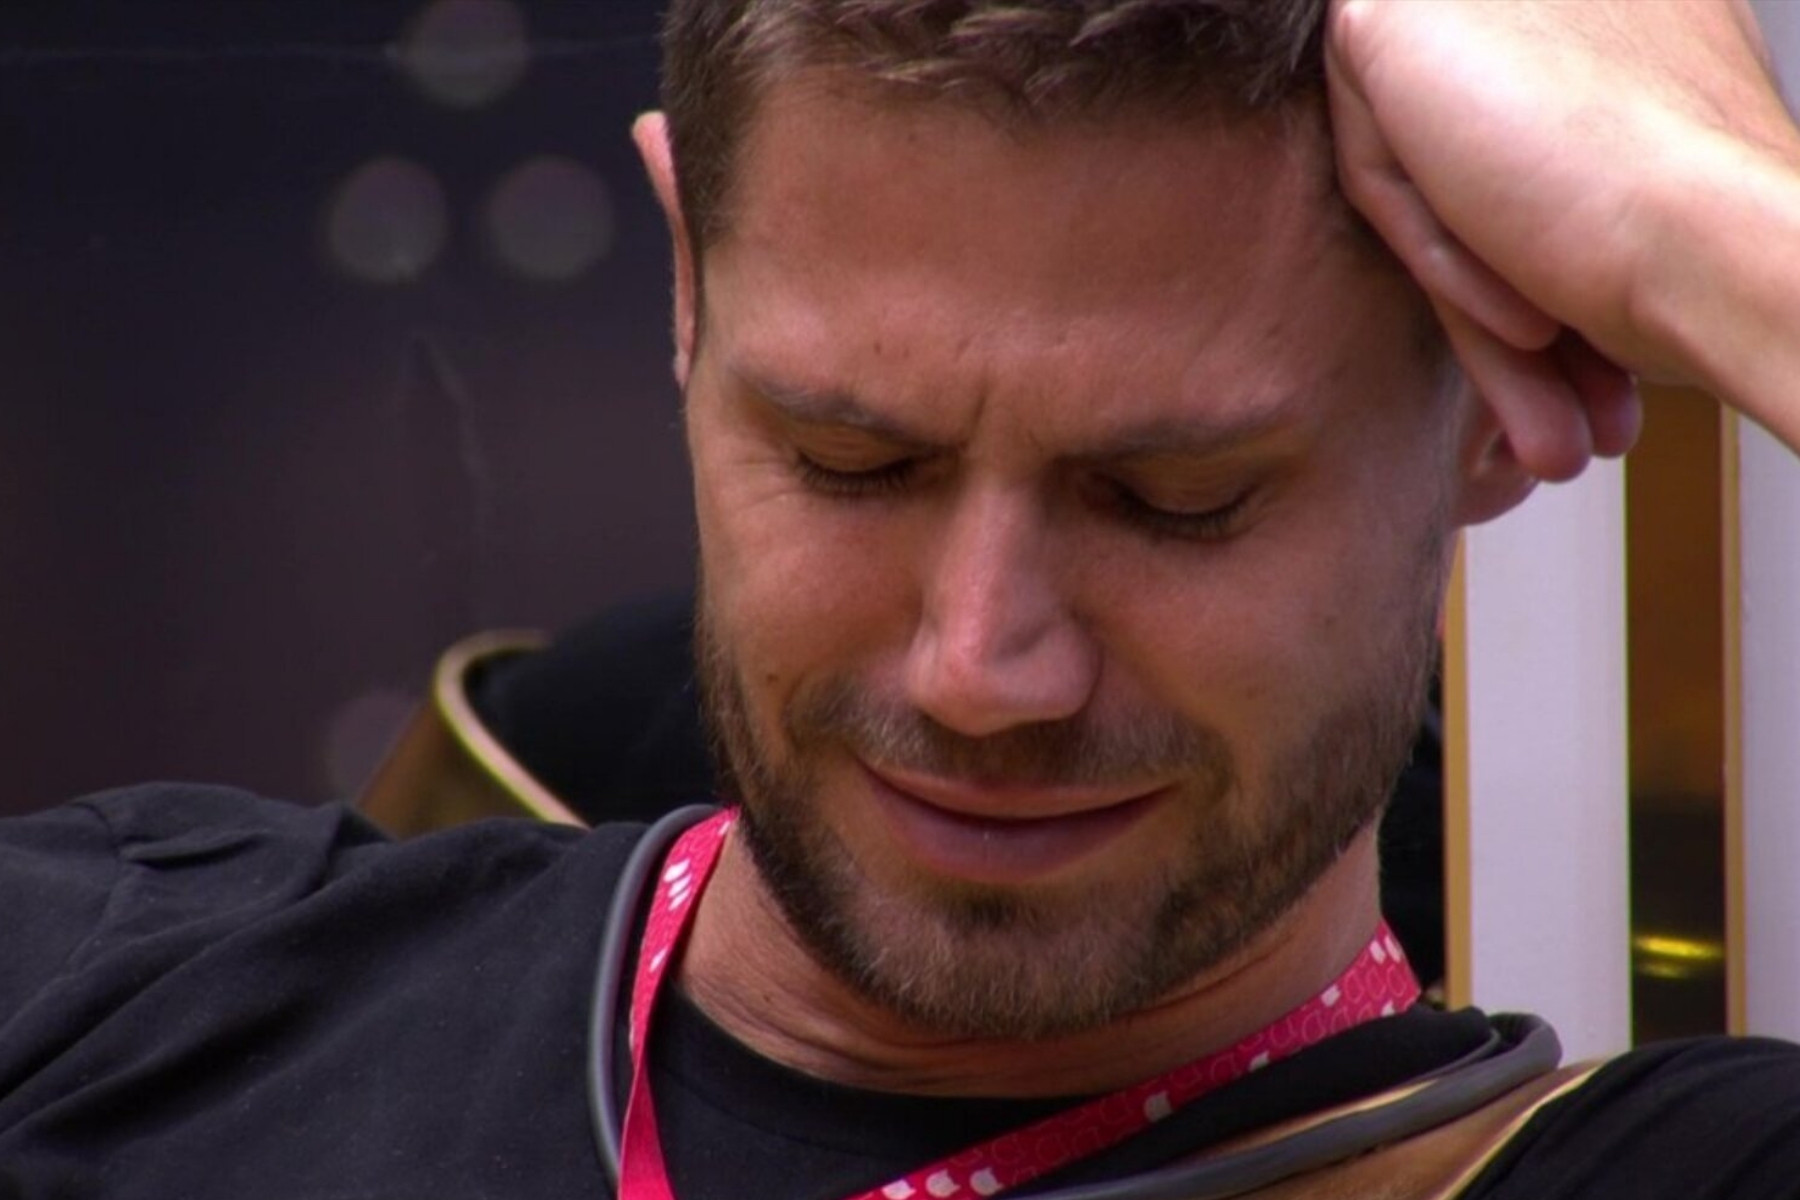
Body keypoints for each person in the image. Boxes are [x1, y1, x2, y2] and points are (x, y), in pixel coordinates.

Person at [5, 1, 1800, 1196]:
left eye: (1172, 501)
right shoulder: (108, 992)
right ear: (686, 284)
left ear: (1491, 397)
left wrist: (1723, 221)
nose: (979, 666)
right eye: (850, 463)